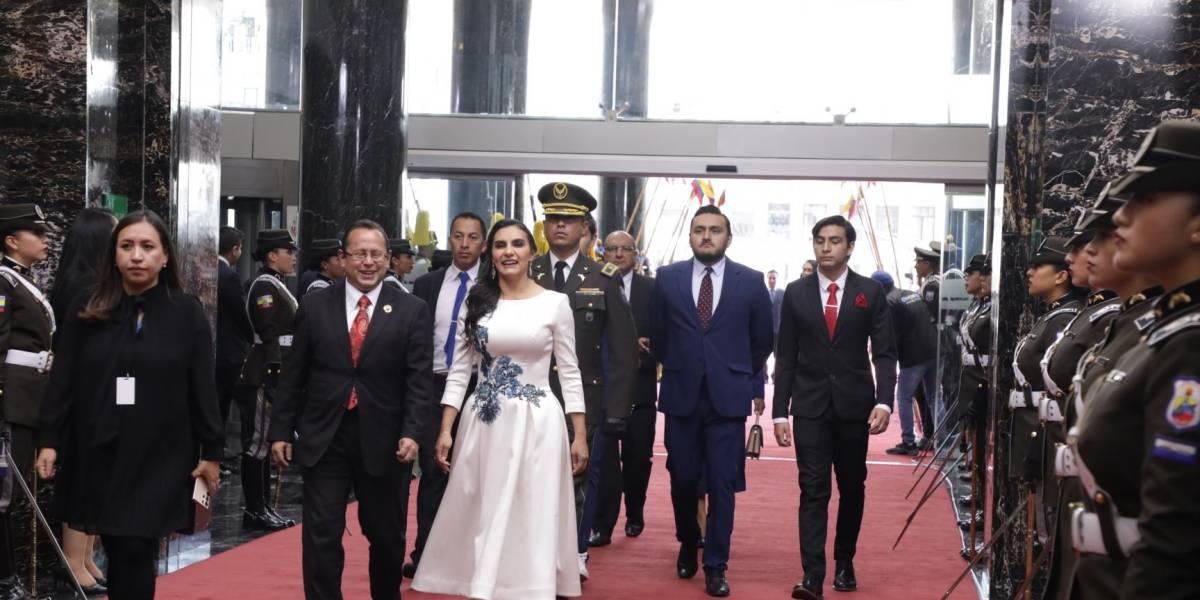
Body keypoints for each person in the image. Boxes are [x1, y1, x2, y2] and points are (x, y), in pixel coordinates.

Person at [36, 210, 223, 600]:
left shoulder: (186, 313)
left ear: (165, 256)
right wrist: (50, 438)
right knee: (119, 545)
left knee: (138, 545)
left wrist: (212, 450)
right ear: (114, 254)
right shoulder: (89, 309)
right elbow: (63, 379)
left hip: (163, 452)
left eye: (147, 246)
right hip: (101, 446)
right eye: (127, 246)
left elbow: (203, 386)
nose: (137, 256)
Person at [412, 219, 588, 600]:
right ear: (490, 253)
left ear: (531, 252)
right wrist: (446, 429)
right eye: (500, 245)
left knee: (533, 506)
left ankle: (532, 585)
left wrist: (580, 435)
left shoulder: (554, 304)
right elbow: (460, 371)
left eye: (518, 244)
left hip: (538, 421)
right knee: (484, 505)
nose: (509, 251)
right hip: (485, 419)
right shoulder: (476, 301)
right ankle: (485, 582)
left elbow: (570, 372)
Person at [268, 219, 433, 600]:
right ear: (343, 258)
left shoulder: (412, 310)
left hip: (387, 439)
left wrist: (413, 432)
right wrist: (280, 430)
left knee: (387, 535)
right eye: (360, 253)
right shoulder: (314, 305)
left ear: (389, 259)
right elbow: (295, 374)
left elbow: (419, 380)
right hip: (326, 436)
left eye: (377, 254)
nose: (368, 262)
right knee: (321, 532)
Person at [1069, 120, 1200, 600]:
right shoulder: (1165, 330)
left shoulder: (1191, 344)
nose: (1119, 219)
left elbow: (1177, 538)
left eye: (1143, 200)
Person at [649, 204, 773, 597]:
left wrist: (734, 371)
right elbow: (658, 334)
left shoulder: (751, 282)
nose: (707, 236)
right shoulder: (666, 278)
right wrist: (684, 364)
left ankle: (716, 565)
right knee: (682, 477)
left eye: (715, 230)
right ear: (690, 236)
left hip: (728, 399)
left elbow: (762, 341)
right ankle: (689, 540)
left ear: (728, 237)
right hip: (682, 394)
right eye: (699, 230)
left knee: (722, 483)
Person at [772, 215, 896, 600]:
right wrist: (779, 411)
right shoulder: (795, 292)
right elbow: (786, 354)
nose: (826, 247)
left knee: (852, 487)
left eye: (834, 241)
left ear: (849, 247)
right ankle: (812, 575)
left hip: (854, 407)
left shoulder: (870, 293)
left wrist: (884, 402)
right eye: (820, 240)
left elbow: (886, 353)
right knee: (812, 490)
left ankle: (845, 561)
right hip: (808, 407)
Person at [1046, 191, 1161, 600]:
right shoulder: (1122, 319)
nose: (1089, 251)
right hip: (1093, 530)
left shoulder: (1167, 332)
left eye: (1107, 234)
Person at [530, 182, 637, 580]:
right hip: (532, 393)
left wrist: (616, 411)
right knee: (533, 478)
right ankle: (536, 553)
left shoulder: (603, 276)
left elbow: (624, 350)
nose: (560, 226)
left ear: (583, 226)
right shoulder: (527, 270)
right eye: (553, 219)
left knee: (578, 479)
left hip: (586, 400)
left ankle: (573, 552)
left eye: (569, 219)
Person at [403, 212, 486, 578]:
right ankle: (425, 555)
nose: (464, 244)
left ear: (483, 243)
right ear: (448, 240)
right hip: (435, 386)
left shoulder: (495, 284)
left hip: (481, 388)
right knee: (435, 472)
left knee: (477, 474)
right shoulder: (427, 285)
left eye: (472, 237)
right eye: (457, 236)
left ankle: (473, 559)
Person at [46, 207, 118, 596]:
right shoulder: (85, 285)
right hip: (85, 398)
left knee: (95, 479)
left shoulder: (88, 280)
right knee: (82, 480)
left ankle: (85, 556)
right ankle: (72, 560)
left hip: (91, 395)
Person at [0, 204, 54, 600]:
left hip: (29, 395)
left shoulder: (21, 281)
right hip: (10, 400)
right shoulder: (3, 282)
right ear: (12, 240)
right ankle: (5, 578)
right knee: (4, 495)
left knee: (13, 495)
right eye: (37, 233)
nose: (45, 239)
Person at [592, 230, 658, 543]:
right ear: (602, 251)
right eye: (612, 249)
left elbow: (667, 336)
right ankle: (602, 524)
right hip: (603, 389)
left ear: (636, 253)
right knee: (603, 461)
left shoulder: (652, 289)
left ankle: (635, 512)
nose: (618, 255)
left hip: (641, 389)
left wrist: (648, 348)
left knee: (637, 458)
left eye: (625, 249)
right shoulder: (592, 282)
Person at [235, 229, 298, 532]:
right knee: (257, 444)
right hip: (263, 371)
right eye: (289, 251)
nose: (293, 256)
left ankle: (263, 507)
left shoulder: (276, 283)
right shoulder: (263, 286)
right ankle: (254, 510)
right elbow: (269, 332)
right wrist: (275, 375)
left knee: (264, 443)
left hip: (275, 368)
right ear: (273, 255)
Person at [874, 270, 938, 456]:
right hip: (933, 350)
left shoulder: (889, 303)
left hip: (913, 356)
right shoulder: (910, 294)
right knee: (935, 397)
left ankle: (908, 442)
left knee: (903, 398)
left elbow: (892, 335)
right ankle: (942, 442)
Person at [216, 227, 254, 455]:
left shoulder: (208, 269)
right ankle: (217, 453)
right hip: (228, 352)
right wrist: (251, 338)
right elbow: (240, 314)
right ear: (235, 249)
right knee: (222, 405)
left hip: (216, 350)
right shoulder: (229, 275)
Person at [767, 270, 785, 335]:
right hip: (766, 327)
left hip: (779, 327)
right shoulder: (763, 292)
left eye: (774, 278)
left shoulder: (783, 293)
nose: (772, 280)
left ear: (777, 279)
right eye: (770, 278)